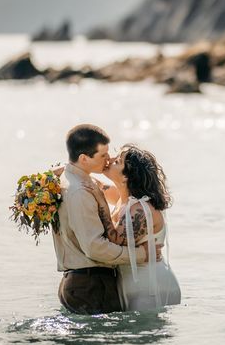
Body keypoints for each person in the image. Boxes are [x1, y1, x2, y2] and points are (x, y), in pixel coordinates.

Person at [53, 124, 156, 314]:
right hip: (91, 285)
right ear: (84, 158)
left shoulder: (83, 181)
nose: (108, 159)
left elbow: (109, 191)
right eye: (103, 155)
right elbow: (94, 247)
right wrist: (141, 255)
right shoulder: (79, 192)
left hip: (87, 283)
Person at [100, 144, 182, 310]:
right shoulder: (122, 198)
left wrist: (100, 209)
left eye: (118, 161)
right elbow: (94, 187)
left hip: (151, 287)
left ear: (126, 177)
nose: (111, 160)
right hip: (136, 284)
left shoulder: (140, 209)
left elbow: (116, 242)